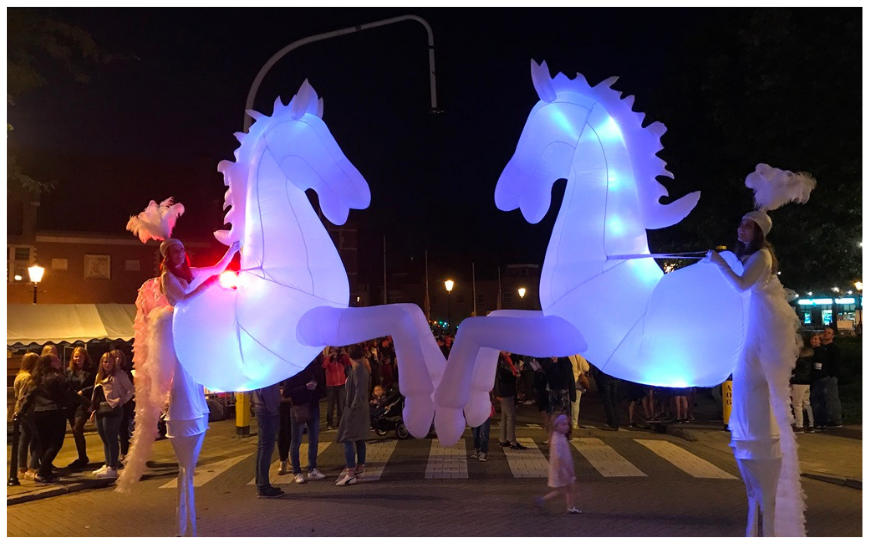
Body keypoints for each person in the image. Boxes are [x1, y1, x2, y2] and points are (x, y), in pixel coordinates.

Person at [708, 195, 810, 536]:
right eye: (741, 223)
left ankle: (757, 443)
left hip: (759, 332)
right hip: (751, 328)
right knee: (746, 384)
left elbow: (741, 285)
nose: (742, 228)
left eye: (748, 225)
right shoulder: (751, 256)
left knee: (753, 383)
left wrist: (719, 263)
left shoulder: (761, 256)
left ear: (759, 232)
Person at [16, 353, 87, 483]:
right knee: (55, 444)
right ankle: (42, 472)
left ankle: (46, 471)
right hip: (54, 412)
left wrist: (20, 412)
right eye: (55, 360)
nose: (59, 361)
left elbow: (29, 397)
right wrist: (85, 403)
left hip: (39, 414)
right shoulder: (57, 377)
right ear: (50, 364)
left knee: (45, 444)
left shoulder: (36, 378)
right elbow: (69, 393)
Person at [90, 350, 135, 478]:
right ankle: (107, 463)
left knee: (111, 437)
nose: (107, 364)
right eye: (105, 361)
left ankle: (113, 467)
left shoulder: (119, 375)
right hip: (100, 409)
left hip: (113, 409)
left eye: (109, 361)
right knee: (104, 438)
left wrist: (122, 401)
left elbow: (131, 389)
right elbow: (96, 394)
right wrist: (93, 409)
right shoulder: (99, 376)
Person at [282, 357, 327, 484]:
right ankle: (297, 471)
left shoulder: (314, 367)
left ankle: (312, 468)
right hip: (298, 407)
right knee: (296, 440)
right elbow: (286, 392)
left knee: (314, 439)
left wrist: (317, 390)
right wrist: (305, 387)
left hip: (313, 406)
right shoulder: (293, 369)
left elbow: (321, 387)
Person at [335, 344, 371, 486]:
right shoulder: (363, 368)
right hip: (361, 408)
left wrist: (352, 407)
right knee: (359, 438)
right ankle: (359, 468)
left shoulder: (358, 370)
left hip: (355, 409)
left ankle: (350, 473)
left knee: (347, 438)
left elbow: (359, 392)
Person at [534, 414, 581, 514]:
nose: (566, 427)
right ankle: (570, 507)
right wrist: (566, 470)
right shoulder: (557, 440)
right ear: (556, 426)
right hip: (562, 469)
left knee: (564, 489)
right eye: (563, 424)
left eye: (567, 424)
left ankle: (544, 500)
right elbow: (558, 457)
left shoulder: (560, 437)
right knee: (568, 488)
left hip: (563, 469)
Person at [252, 382, 284, 498]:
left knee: (262, 447)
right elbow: (265, 391)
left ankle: (261, 483)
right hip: (267, 410)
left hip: (262, 408)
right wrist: (273, 409)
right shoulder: (266, 370)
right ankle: (263, 486)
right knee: (266, 448)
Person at [65, 347, 95, 470]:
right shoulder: (69, 371)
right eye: (76, 356)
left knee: (77, 428)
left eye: (80, 357)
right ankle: (82, 456)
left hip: (83, 403)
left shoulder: (90, 371)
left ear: (85, 358)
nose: (78, 359)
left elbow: (95, 385)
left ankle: (83, 457)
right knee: (75, 430)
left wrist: (84, 391)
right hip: (72, 403)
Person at [13, 352, 39, 480]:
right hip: (30, 412)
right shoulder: (29, 378)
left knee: (24, 438)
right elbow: (26, 396)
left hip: (20, 411)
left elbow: (17, 395)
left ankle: (21, 467)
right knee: (39, 439)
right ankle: (32, 467)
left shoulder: (19, 376)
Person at [494, 351, 526, 449]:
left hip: (504, 390)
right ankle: (512, 440)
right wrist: (515, 375)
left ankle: (503, 439)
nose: (509, 351)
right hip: (504, 391)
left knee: (505, 416)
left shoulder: (504, 359)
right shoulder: (501, 360)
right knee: (511, 415)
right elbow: (502, 376)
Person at [545, 356, 576, 439]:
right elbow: (548, 374)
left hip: (562, 391)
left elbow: (561, 376)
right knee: (553, 415)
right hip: (553, 391)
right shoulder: (550, 361)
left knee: (563, 415)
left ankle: (565, 435)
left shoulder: (566, 362)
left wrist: (555, 364)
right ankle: (554, 435)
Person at [323, 347, 351, 430]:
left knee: (341, 404)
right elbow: (324, 365)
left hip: (341, 384)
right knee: (330, 405)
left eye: (336, 350)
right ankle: (329, 423)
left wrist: (345, 354)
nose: (335, 352)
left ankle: (340, 422)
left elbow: (349, 363)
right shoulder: (328, 359)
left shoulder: (341, 359)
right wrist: (330, 356)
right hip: (331, 385)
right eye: (332, 350)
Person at [820, 326, 843, 427]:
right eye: (825, 332)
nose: (826, 334)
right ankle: (828, 418)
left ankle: (836, 420)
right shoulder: (821, 348)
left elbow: (836, 364)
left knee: (832, 397)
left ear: (833, 336)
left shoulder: (834, 349)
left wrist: (833, 376)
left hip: (830, 377)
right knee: (825, 398)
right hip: (822, 376)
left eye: (828, 333)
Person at [809, 333, 828, 430]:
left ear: (820, 341)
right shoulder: (822, 350)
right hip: (822, 377)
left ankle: (818, 422)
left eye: (816, 339)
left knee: (815, 400)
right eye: (812, 338)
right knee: (822, 400)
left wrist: (815, 374)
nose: (814, 341)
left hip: (818, 378)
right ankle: (823, 421)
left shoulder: (817, 351)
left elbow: (818, 365)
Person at [592, 364, 620, 430]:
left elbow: (595, 370)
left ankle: (612, 422)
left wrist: (597, 380)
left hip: (604, 379)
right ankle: (616, 421)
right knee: (614, 401)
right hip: (614, 378)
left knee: (607, 402)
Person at [470, 391, 495, 462]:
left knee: (484, 432)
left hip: (485, 409)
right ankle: (476, 448)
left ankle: (483, 452)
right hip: (474, 409)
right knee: (475, 432)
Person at [569, 354, 590, 429]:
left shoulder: (563, 353)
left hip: (566, 381)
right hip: (576, 381)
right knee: (575, 403)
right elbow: (586, 368)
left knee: (565, 402)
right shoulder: (577, 354)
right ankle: (574, 422)